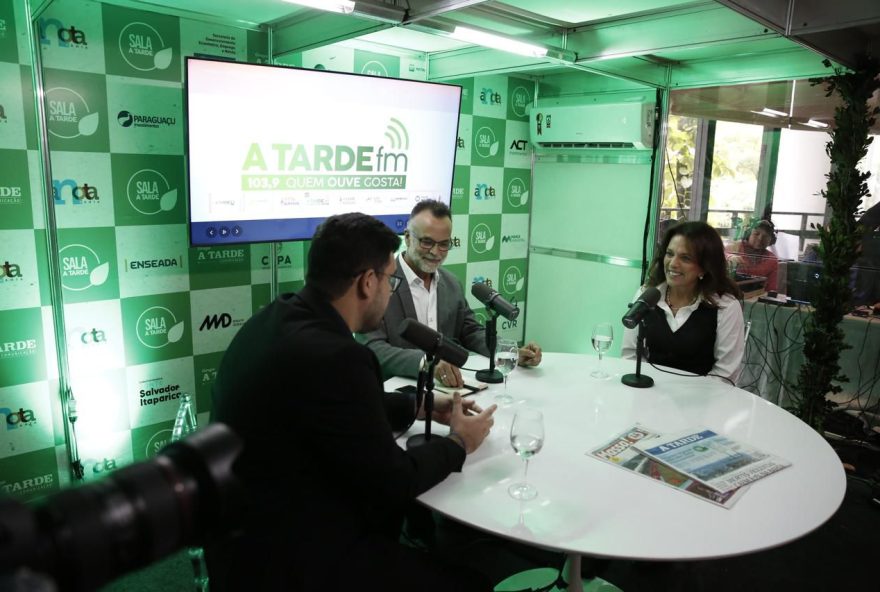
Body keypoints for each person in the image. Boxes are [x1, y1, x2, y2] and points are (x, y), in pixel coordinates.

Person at [206, 213, 497, 592]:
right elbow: (394, 481)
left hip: (238, 542)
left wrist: (419, 406)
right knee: (472, 583)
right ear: (366, 282)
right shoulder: (341, 356)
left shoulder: (276, 317)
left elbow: (331, 408)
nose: (392, 290)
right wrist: (460, 442)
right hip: (290, 563)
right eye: (390, 279)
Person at [358, 199, 542, 388]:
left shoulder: (451, 283)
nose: (436, 252)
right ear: (407, 238)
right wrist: (426, 363)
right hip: (396, 395)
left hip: (449, 390)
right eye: (427, 242)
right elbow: (373, 348)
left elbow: (470, 331)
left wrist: (509, 352)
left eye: (444, 244)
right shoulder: (379, 282)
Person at [622, 221, 745, 383]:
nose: (673, 264)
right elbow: (630, 354)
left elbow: (725, 373)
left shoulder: (725, 306)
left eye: (685, 258)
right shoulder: (648, 294)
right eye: (669, 254)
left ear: (704, 267)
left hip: (703, 399)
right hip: (650, 391)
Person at [726, 219, 779, 292]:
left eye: (766, 236)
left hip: (755, 297)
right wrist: (729, 257)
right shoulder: (734, 248)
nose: (760, 239)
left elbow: (771, 288)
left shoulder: (772, 260)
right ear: (748, 235)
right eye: (756, 234)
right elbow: (720, 257)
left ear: (771, 239)